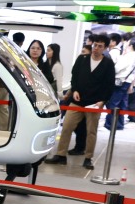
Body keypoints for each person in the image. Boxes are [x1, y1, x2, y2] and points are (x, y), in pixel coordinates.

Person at [45, 34, 115, 170]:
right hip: (77, 101)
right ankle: (61, 154)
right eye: (95, 45)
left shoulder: (108, 64)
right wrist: (75, 90)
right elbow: (75, 77)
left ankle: (88, 157)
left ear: (105, 48)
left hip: (94, 103)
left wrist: (102, 101)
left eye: (100, 46)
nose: (96, 48)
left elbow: (109, 84)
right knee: (66, 127)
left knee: (91, 131)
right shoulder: (82, 59)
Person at [104, 36, 135, 131]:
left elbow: (118, 68)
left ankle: (110, 124)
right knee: (122, 103)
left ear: (131, 45)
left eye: (128, 43)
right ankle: (119, 124)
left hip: (120, 81)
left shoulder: (129, 56)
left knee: (113, 103)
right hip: (126, 81)